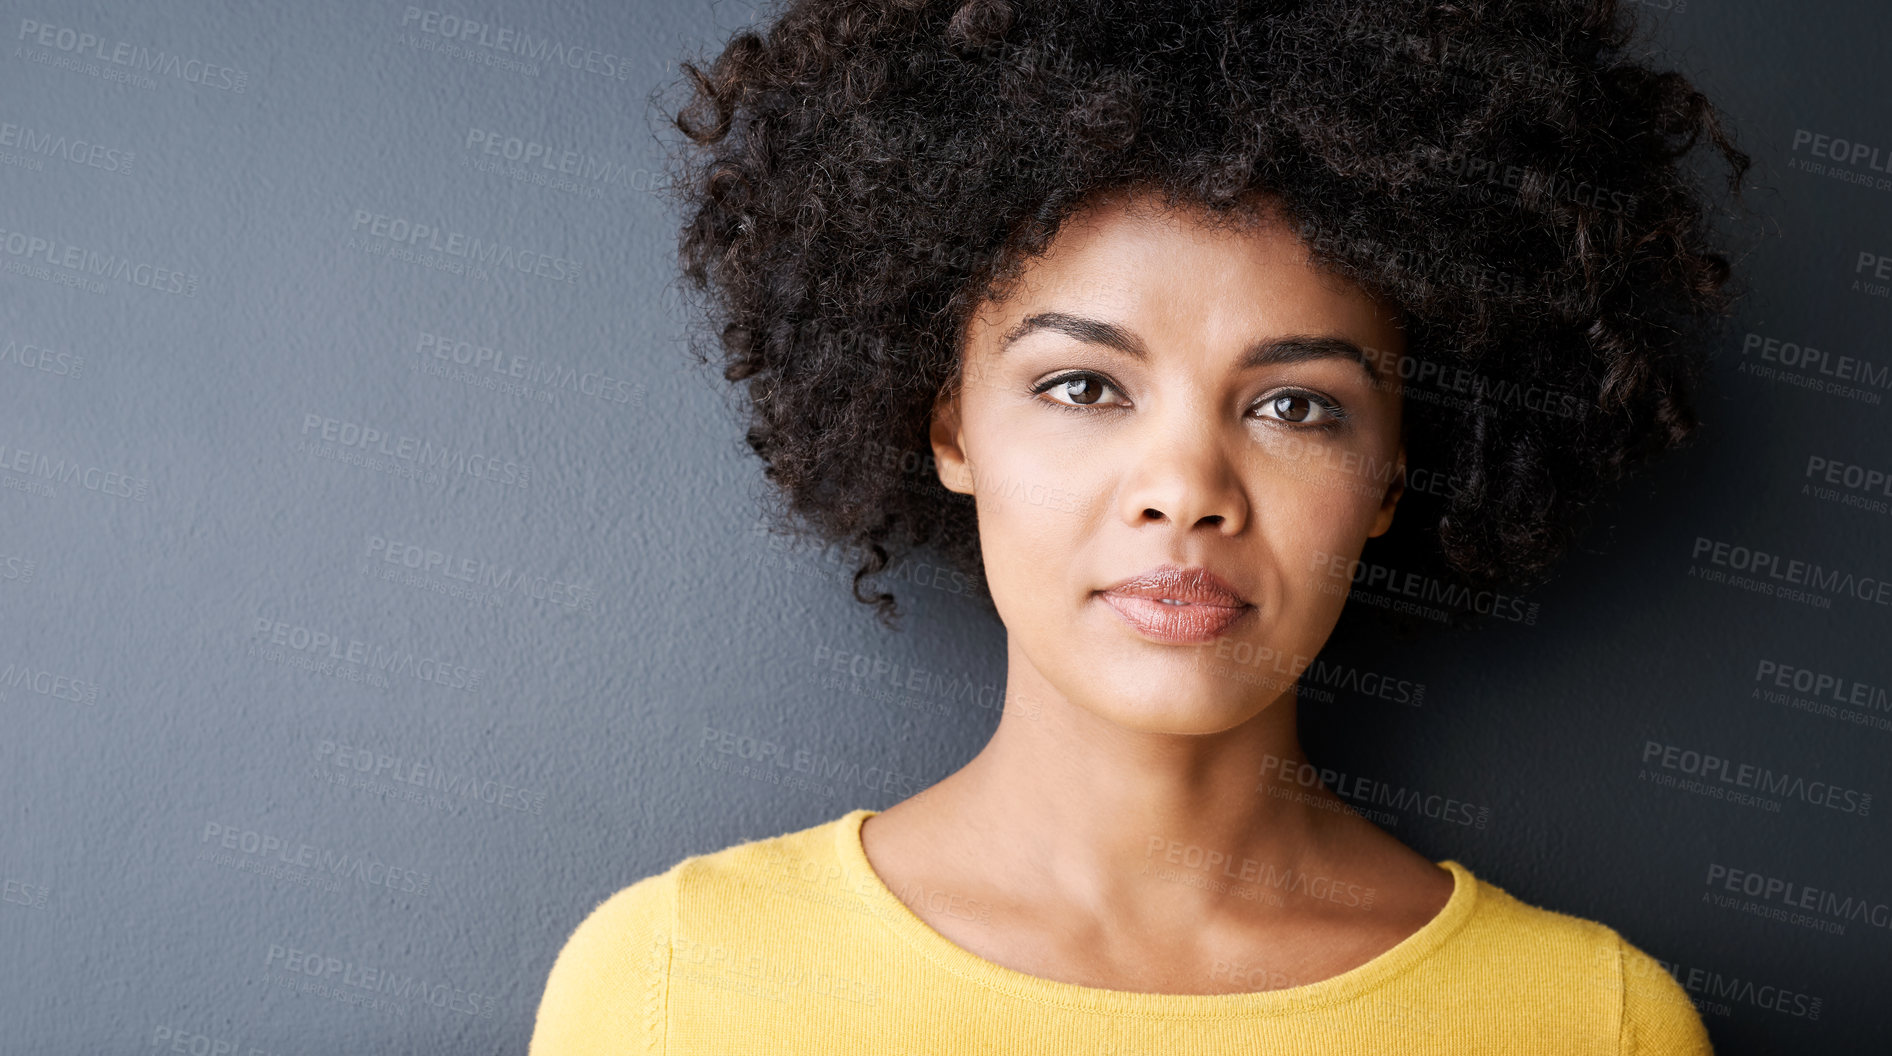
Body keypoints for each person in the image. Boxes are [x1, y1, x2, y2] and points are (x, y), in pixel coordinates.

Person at [532, 1, 1749, 1051]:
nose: (1185, 489)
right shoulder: (674, 985)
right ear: (948, 426)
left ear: (1389, 474)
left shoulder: (1588, 1023)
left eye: (1293, 405)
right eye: (1083, 386)